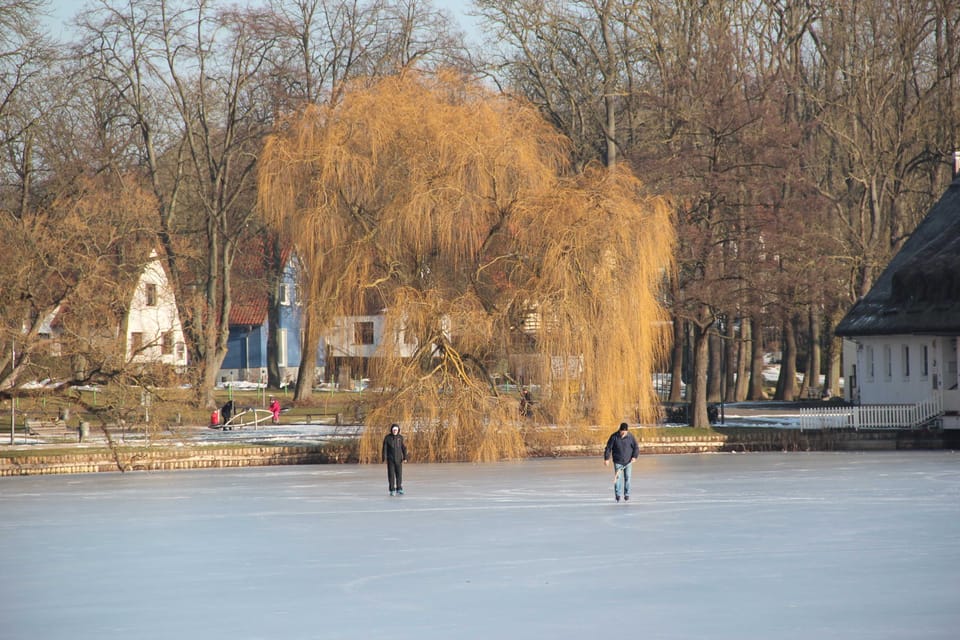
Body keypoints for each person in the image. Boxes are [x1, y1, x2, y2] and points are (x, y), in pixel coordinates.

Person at [603, 422, 640, 502]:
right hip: (618, 461)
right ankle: (618, 495)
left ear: (627, 431)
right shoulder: (614, 437)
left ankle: (627, 494)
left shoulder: (630, 437)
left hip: (628, 461)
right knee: (618, 478)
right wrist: (606, 459)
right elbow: (608, 448)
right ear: (619, 430)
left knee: (627, 478)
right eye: (622, 431)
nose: (623, 433)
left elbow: (636, 447)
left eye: (625, 431)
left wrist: (634, 457)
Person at [381, 423, 408, 496]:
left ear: (398, 430)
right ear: (391, 430)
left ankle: (399, 488)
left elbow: (404, 448)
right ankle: (392, 489)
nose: (395, 431)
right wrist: (384, 458)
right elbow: (384, 449)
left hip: (399, 459)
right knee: (391, 475)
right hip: (390, 459)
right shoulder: (387, 438)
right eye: (393, 430)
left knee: (399, 475)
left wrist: (405, 457)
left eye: (396, 430)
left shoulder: (400, 438)